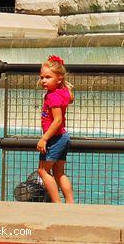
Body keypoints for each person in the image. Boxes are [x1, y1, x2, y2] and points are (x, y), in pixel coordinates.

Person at [37, 55, 75, 204]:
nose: (43, 80)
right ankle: (70, 203)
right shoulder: (63, 91)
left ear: (59, 79)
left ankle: (57, 204)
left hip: (54, 138)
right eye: (42, 77)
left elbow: (58, 120)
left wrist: (44, 138)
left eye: (48, 77)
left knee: (43, 171)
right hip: (63, 137)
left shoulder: (53, 96)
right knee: (59, 173)